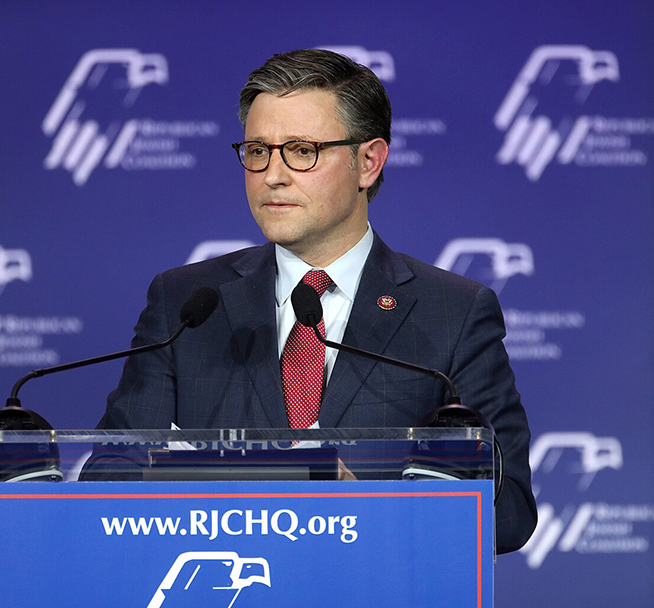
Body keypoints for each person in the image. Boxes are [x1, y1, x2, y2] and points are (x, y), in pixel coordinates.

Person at [97, 49, 536, 553]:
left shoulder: (453, 312)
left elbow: (510, 512)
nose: (273, 175)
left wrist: (364, 511)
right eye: (257, 151)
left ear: (368, 162)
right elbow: (110, 474)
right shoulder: (187, 303)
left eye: (301, 150)